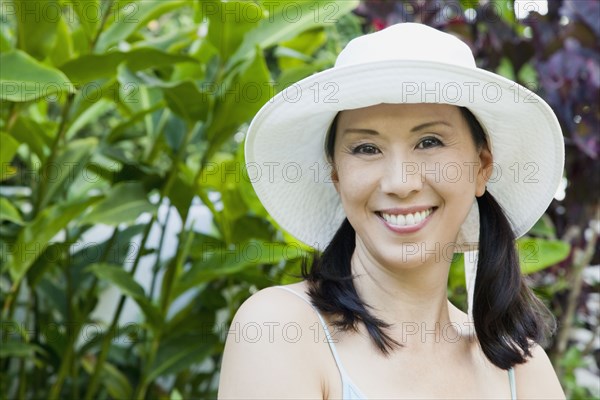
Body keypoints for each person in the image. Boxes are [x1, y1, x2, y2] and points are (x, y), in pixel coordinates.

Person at [218, 23, 566, 399]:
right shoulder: (281, 330)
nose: (400, 182)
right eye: (366, 148)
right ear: (336, 173)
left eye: (429, 141)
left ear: (482, 165)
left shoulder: (521, 370)